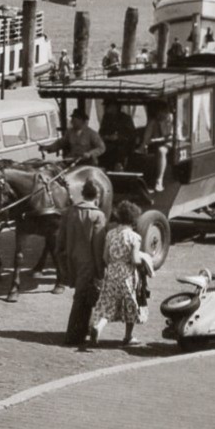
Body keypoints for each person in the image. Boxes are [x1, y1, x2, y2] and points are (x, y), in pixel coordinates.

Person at [91, 201, 155, 346]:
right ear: (133, 220)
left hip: (112, 273)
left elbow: (105, 257)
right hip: (127, 275)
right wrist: (144, 259)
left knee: (109, 304)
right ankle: (128, 336)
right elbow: (134, 259)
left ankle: (98, 327)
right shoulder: (134, 237)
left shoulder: (110, 234)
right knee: (130, 304)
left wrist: (114, 264)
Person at [60, 182, 109, 336]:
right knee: (82, 296)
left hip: (72, 258)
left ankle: (82, 329)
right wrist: (100, 269)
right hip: (88, 262)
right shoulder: (97, 215)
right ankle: (73, 334)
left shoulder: (70, 212)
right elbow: (98, 244)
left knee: (83, 294)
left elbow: (60, 238)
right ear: (97, 196)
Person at [142, 103, 175, 192]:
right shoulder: (155, 121)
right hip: (160, 141)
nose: (158, 115)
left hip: (174, 141)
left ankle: (159, 180)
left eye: (160, 112)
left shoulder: (171, 119)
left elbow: (171, 136)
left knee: (161, 151)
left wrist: (156, 140)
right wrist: (145, 143)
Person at [98, 101, 139, 171]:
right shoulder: (106, 118)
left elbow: (132, 135)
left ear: (115, 107)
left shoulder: (126, 118)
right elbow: (101, 132)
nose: (105, 108)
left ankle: (119, 168)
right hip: (108, 144)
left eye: (108, 106)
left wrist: (119, 137)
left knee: (120, 150)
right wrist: (107, 137)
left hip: (124, 145)